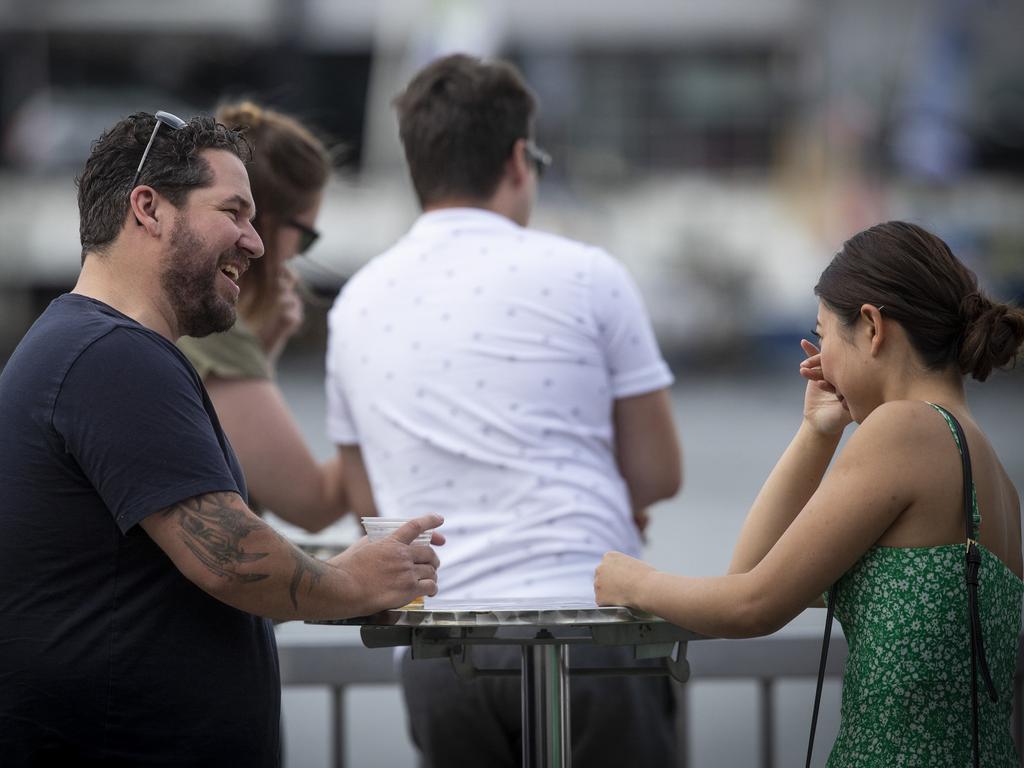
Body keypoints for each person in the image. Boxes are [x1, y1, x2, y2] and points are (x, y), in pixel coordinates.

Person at [0, 110, 442, 768]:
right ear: (148, 208)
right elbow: (229, 558)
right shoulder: (113, 355)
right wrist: (352, 581)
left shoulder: (84, 347)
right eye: (233, 211)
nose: (255, 243)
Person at [325, 54, 683, 767]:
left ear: (418, 165)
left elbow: (372, 505)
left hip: (440, 651)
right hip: (591, 630)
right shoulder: (588, 274)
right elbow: (657, 473)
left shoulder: (356, 301)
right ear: (520, 158)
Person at [595, 221, 1024, 766]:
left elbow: (750, 604)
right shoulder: (995, 478)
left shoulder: (906, 430)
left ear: (871, 327)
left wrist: (635, 581)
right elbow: (752, 572)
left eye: (822, 335)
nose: (820, 360)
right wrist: (817, 432)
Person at [178, 101, 345, 532]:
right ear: (260, 225)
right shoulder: (211, 334)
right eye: (304, 236)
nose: (296, 257)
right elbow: (314, 505)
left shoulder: (188, 318)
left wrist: (264, 348)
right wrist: (400, 411)